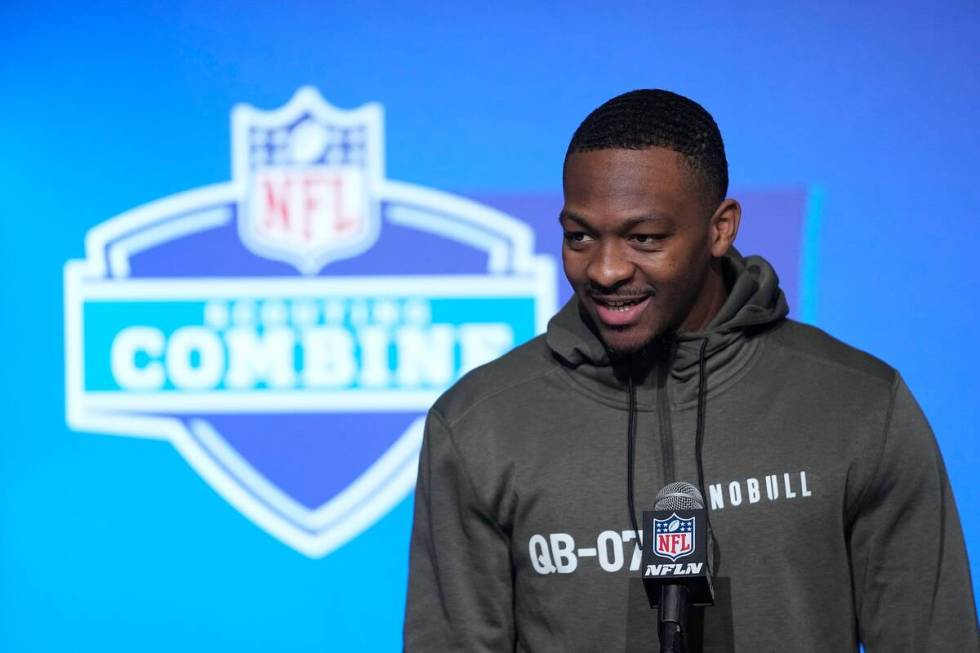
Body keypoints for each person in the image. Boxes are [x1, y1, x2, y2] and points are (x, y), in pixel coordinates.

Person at [403, 89, 978, 651]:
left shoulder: (859, 404)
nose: (604, 270)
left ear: (720, 228)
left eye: (644, 238)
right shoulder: (480, 424)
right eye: (580, 236)